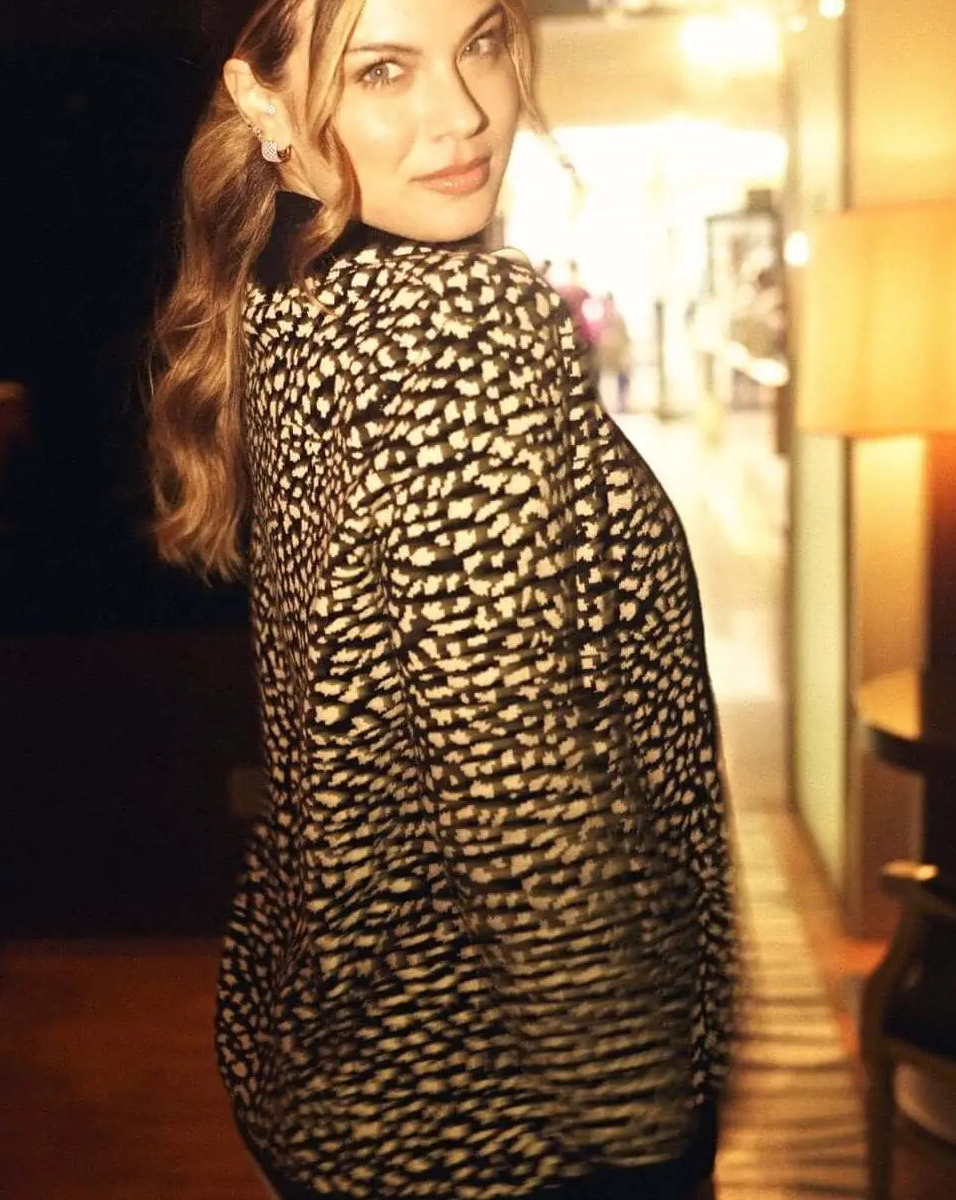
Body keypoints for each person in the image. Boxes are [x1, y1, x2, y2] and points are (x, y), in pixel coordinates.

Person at [147, 2, 736, 1198]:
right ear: (261, 98)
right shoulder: (454, 325)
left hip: (349, 1063)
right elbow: (526, 804)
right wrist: (645, 1132)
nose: (462, 111)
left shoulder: (294, 291)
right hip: (519, 1112)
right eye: (383, 69)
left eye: (480, 41)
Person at [593, 291, 633, 413]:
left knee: (623, 378)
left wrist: (625, 354)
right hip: (604, 357)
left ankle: (622, 405)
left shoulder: (618, 318)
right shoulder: (600, 320)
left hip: (617, 356)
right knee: (602, 381)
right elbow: (597, 338)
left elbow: (625, 338)